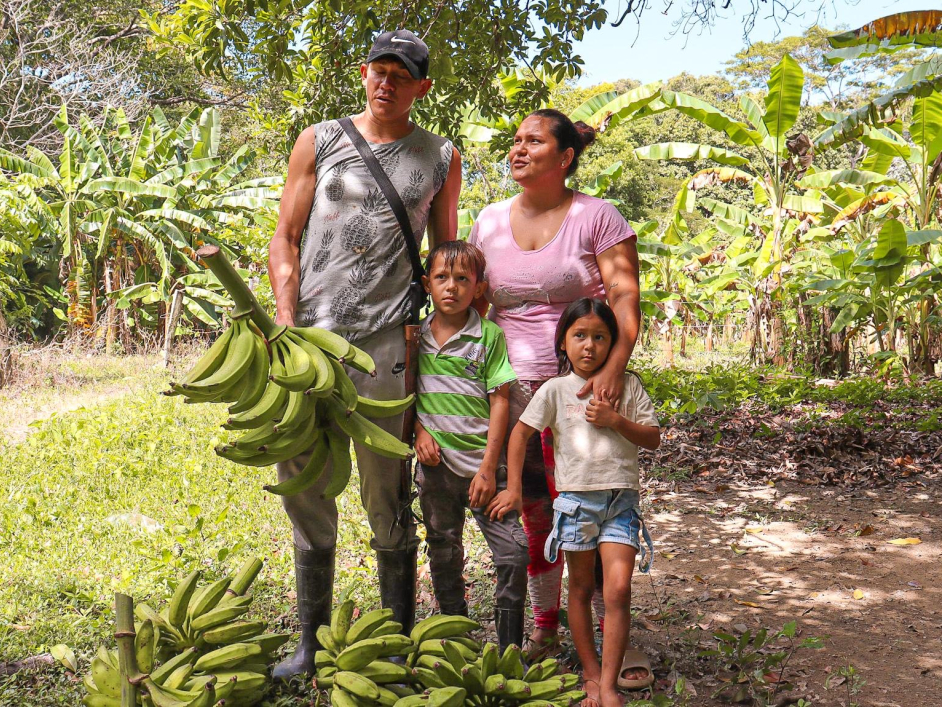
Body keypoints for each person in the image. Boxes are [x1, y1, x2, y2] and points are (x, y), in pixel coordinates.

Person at [266, 29, 462, 678]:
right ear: (362, 73)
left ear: (422, 88)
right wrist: (287, 322)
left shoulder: (439, 156)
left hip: (390, 349)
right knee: (308, 493)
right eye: (379, 71)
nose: (387, 84)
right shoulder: (318, 139)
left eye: (401, 77)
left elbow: (445, 262)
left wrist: (441, 352)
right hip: (313, 349)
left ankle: (394, 646)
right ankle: (310, 647)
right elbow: (284, 238)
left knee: (389, 497)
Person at [468, 109, 643, 671]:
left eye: (534, 142)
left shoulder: (597, 217)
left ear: (565, 157)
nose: (518, 150)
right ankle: (546, 629)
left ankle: (615, 636)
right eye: (514, 140)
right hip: (510, 396)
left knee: (594, 510)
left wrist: (613, 370)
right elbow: (472, 305)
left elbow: (624, 301)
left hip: (581, 397)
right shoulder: (489, 221)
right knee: (539, 517)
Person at [489, 298, 660, 707]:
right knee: (580, 588)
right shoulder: (554, 389)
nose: (589, 346)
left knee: (617, 590)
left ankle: (610, 685)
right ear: (562, 343)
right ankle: (590, 675)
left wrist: (615, 420)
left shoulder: (627, 385)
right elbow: (519, 435)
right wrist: (513, 488)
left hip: (620, 502)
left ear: (612, 343)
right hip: (575, 506)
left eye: (600, 337)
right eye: (579, 336)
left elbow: (652, 438)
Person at [412, 240, 529, 651]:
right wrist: (419, 433)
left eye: (463, 279)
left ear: (478, 288)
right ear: (427, 284)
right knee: (444, 550)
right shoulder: (415, 338)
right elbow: (407, 394)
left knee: (513, 554)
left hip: (484, 468)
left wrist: (487, 467)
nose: (452, 287)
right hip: (436, 469)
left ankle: (511, 647)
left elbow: (500, 401)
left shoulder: (488, 336)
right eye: (442, 277)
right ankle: (454, 636)